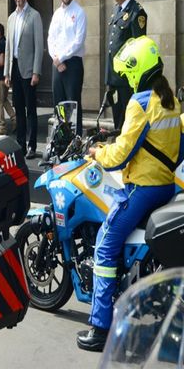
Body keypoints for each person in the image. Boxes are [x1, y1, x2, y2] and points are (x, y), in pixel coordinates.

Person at [77, 36, 183, 352]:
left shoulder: (139, 103)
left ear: (137, 71)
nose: (126, 79)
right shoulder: (170, 102)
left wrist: (97, 152)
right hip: (165, 185)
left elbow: (122, 154)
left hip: (141, 189)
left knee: (105, 246)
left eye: (127, 74)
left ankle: (100, 327)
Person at [4, 0, 44, 159]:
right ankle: (20, 143)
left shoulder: (34, 16)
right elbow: (8, 48)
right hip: (15, 70)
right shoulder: (11, 18)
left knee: (31, 110)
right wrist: (6, 72)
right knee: (19, 110)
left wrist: (36, 71)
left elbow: (38, 45)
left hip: (29, 71)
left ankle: (32, 145)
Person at [106, 0, 147, 131]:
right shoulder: (117, 9)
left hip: (127, 79)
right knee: (118, 120)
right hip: (114, 77)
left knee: (128, 122)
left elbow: (139, 48)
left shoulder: (137, 12)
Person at [47, 0, 87, 135]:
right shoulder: (56, 14)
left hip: (73, 65)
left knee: (73, 106)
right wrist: (56, 60)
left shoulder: (79, 12)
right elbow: (50, 39)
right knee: (59, 106)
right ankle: (62, 141)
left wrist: (61, 58)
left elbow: (79, 40)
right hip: (57, 65)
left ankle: (75, 142)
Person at [0, 23, 16, 135]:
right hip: (6, 76)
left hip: (0, 77)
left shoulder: (1, 43)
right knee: (4, 100)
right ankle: (14, 118)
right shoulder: (5, 42)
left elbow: (1, 61)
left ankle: (2, 126)